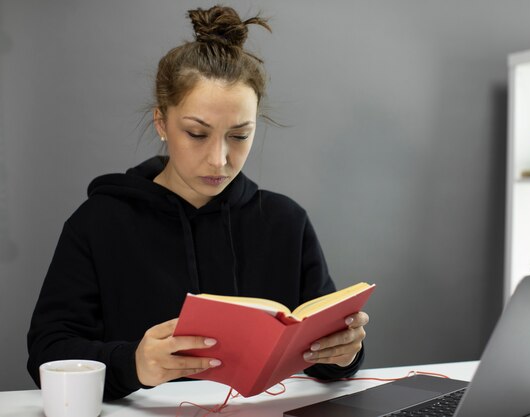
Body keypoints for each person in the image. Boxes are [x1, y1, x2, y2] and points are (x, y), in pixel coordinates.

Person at [26, 5, 369, 401]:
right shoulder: (99, 222)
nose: (219, 159)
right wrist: (133, 363)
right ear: (161, 122)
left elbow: (323, 355)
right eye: (196, 133)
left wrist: (345, 352)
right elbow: (46, 353)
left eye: (240, 136)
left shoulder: (285, 221)